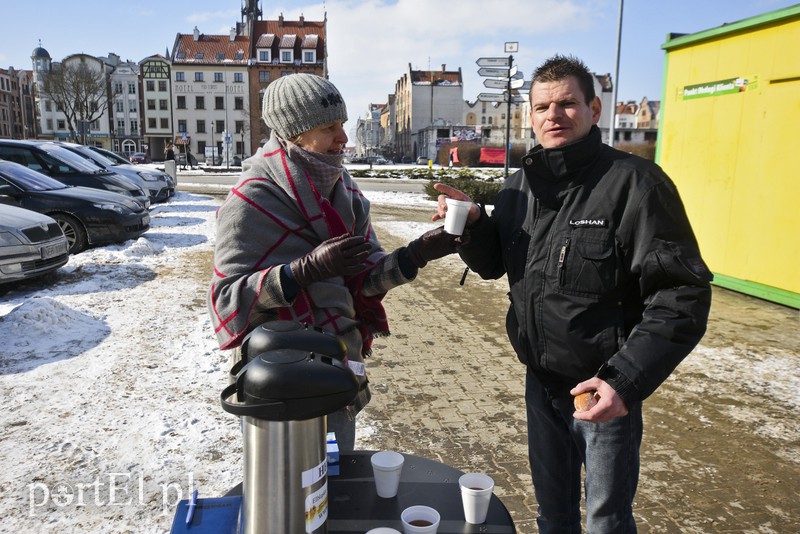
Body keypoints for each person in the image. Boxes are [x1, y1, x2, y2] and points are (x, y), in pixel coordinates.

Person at [434, 55, 713, 532]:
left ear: (594, 109)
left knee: (605, 520)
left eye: (567, 103)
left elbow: (681, 294)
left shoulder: (636, 185)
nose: (553, 116)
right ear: (530, 115)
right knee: (553, 515)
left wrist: (624, 381)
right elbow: (494, 266)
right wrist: (475, 226)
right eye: (542, 106)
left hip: (601, 388)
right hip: (541, 386)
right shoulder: (517, 188)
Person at [208, 73, 462, 451]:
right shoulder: (250, 201)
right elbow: (225, 299)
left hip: (339, 368)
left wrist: (416, 254)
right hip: (280, 382)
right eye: (329, 128)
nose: (343, 138)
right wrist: (301, 272)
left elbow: (364, 280)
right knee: (285, 496)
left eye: (342, 124)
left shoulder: (347, 193)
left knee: (338, 483)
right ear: (294, 133)